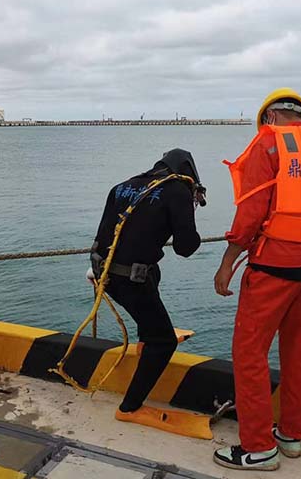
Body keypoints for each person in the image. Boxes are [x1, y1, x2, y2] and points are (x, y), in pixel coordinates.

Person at [212, 88, 301, 471]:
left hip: (273, 272)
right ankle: (290, 435)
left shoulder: (268, 144)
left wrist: (227, 262)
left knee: (250, 355)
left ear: (269, 118)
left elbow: (251, 213)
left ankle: (257, 448)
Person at [91, 149, 206, 436]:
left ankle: (147, 337)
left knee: (153, 272)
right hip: (130, 280)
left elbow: (106, 235)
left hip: (103, 274)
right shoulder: (178, 190)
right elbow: (186, 247)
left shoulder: (123, 185)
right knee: (164, 342)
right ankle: (129, 407)